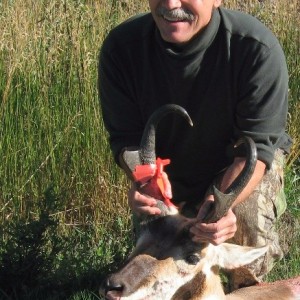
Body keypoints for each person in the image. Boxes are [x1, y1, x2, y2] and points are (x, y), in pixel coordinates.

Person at [98, 0, 292, 291]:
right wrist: (145, 181)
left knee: (244, 217)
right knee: (160, 243)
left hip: (236, 165)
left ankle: (245, 286)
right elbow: (126, 138)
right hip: (168, 170)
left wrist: (219, 208)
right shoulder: (122, 48)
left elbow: (256, 149)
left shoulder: (255, 48)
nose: (172, 4)